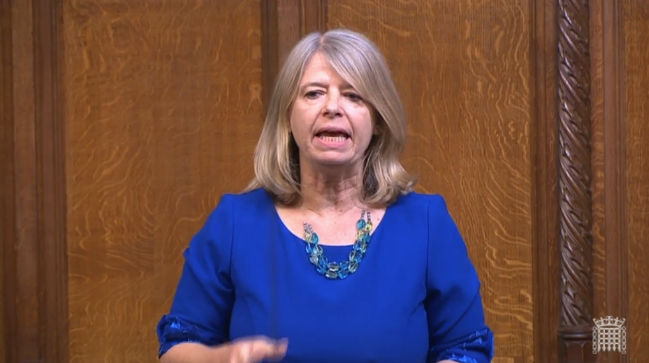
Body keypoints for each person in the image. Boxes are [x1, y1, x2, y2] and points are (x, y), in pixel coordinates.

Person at [157, 29, 494, 363]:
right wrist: (221, 359)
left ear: (378, 119)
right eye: (314, 93)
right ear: (288, 117)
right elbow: (179, 344)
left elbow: (466, 347)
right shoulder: (234, 223)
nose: (333, 107)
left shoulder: (426, 223)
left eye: (354, 95)